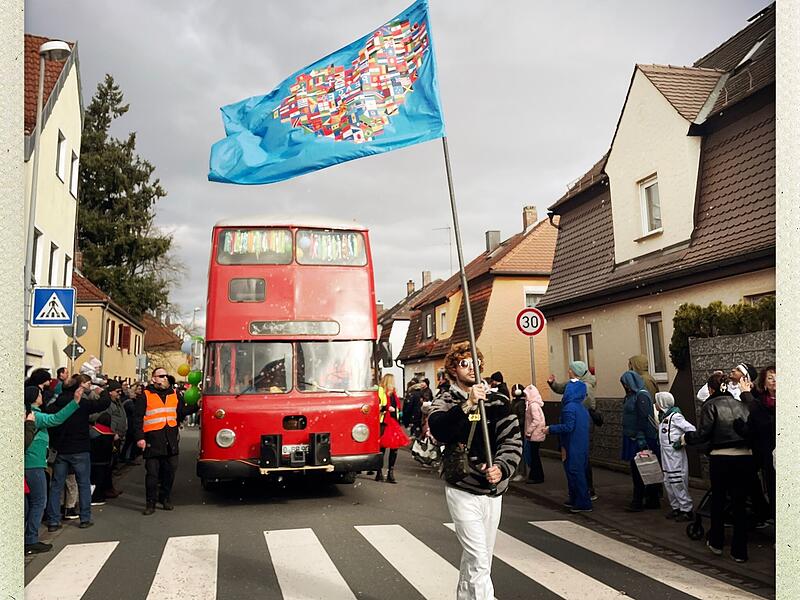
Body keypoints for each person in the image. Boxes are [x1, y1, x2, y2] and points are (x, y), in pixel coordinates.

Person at [428, 342, 522, 600]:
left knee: (479, 559)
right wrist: (467, 405)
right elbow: (439, 429)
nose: (472, 368)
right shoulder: (446, 400)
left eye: (475, 363)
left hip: (492, 491)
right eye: (464, 363)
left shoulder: (499, 401)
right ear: (453, 369)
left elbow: (512, 439)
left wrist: (502, 468)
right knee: (479, 558)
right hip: (463, 488)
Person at [685, 372, 753, 562]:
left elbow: (703, 434)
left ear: (710, 389)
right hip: (744, 457)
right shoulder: (742, 404)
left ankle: (716, 542)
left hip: (721, 458)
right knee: (739, 503)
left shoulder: (710, 405)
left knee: (719, 501)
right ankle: (740, 552)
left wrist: (687, 438)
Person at [45, 374, 111, 531]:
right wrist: (102, 391)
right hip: (80, 449)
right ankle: (85, 518)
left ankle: (53, 521)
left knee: (56, 486)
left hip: (61, 450)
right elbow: (103, 403)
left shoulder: (55, 404)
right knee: (83, 484)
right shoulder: (82, 403)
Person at [24, 385, 83, 554]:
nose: (42, 395)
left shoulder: (25, 413)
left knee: (28, 504)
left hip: (28, 463)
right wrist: (75, 402)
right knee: (39, 502)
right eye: (40, 393)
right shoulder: (35, 415)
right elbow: (56, 419)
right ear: (34, 397)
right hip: (34, 464)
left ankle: (25, 538)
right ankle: (31, 540)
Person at [134, 367, 199, 515]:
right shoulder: (145, 395)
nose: (164, 379)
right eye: (161, 376)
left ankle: (165, 498)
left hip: (170, 440)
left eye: (166, 376)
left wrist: (197, 406)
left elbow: (182, 412)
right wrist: (140, 438)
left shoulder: (174, 394)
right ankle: (150, 503)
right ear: (154, 378)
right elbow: (137, 419)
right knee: (152, 474)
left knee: (169, 472)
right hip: (152, 440)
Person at [548, 361, 597, 499]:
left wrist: (573, 409)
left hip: (580, 425)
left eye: (570, 370)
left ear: (576, 371)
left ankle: (586, 491)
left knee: (580, 460)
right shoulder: (573, 383)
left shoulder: (584, 386)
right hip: (576, 422)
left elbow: (589, 404)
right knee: (576, 459)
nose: (568, 371)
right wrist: (552, 383)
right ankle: (579, 493)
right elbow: (560, 388)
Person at [545, 378, 592, 513]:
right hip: (581, 444)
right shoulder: (582, 408)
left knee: (574, 473)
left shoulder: (569, 408)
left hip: (572, 444)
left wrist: (550, 429)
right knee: (578, 472)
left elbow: (568, 427)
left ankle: (582, 502)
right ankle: (576, 499)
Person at [620, 370, 660, 512]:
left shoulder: (641, 396)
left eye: (625, 384)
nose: (625, 386)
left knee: (641, 470)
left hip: (639, 439)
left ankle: (640, 500)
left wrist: (641, 438)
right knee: (641, 469)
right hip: (633, 438)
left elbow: (644, 419)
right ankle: (650, 498)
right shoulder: (631, 395)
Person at [654, 392, 696, 521]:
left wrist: (682, 441)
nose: (655, 404)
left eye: (657, 402)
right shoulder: (663, 417)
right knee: (668, 481)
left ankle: (686, 509)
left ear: (662, 403)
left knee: (677, 481)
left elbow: (691, 429)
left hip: (674, 455)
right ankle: (676, 507)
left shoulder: (675, 417)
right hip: (665, 454)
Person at [743, 366, 776, 522]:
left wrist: (746, 394)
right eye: (770, 377)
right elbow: (755, 425)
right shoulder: (762, 402)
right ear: (764, 384)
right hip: (768, 458)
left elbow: (765, 420)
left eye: (778, 376)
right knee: (774, 494)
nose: (775, 380)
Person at [376, 373, 408, 483]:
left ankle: (390, 472)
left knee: (394, 448)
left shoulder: (393, 393)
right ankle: (379, 472)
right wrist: (385, 408)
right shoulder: (381, 391)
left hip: (393, 422)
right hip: (383, 422)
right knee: (382, 448)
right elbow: (376, 405)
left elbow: (397, 407)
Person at [523, 384, 546, 484]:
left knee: (534, 457)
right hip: (537, 434)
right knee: (534, 456)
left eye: (526, 395)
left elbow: (536, 420)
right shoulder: (534, 405)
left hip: (534, 435)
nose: (525, 397)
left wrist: (528, 431)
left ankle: (536, 476)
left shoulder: (533, 406)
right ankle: (536, 475)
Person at [509, 384, 528, 481]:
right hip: (516, 430)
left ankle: (521, 472)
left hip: (519, 431)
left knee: (520, 453)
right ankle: (516, 472)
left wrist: (513, 422)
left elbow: (522, 418)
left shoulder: (520, 404)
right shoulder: (516, 402)